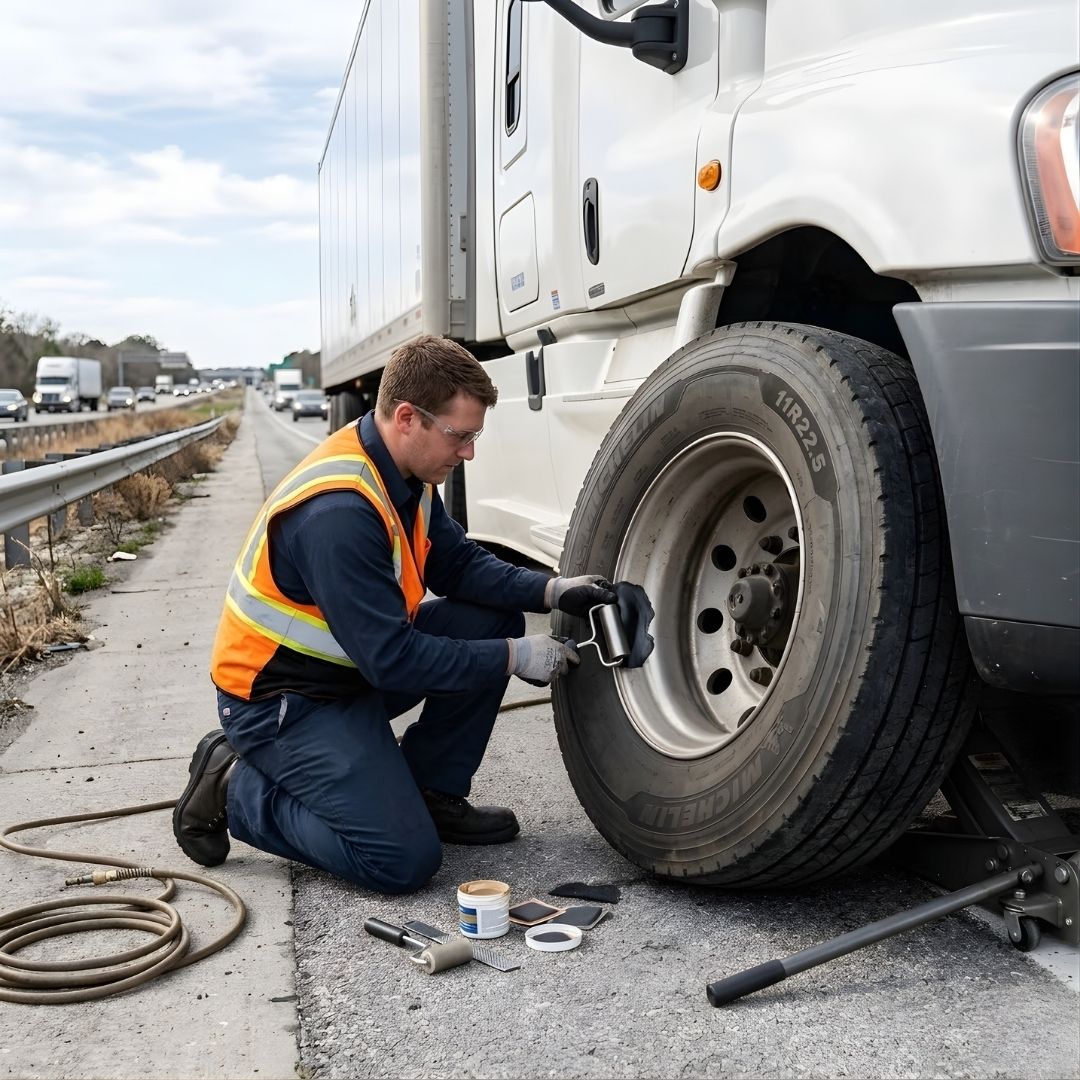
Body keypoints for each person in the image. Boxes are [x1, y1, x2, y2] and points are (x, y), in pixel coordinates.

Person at [172, 334, 616, 894]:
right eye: (461, 436)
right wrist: (516, 656)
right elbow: (393, 661)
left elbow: (456, 566)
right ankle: (237, 784)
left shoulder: (405, 474)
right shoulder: (339, 512)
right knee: (400, 859)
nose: (469, 453)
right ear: (408, 417)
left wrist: (553, 591)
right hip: (284, 704)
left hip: (348, 674)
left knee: (490, 619)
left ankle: (432, 792)